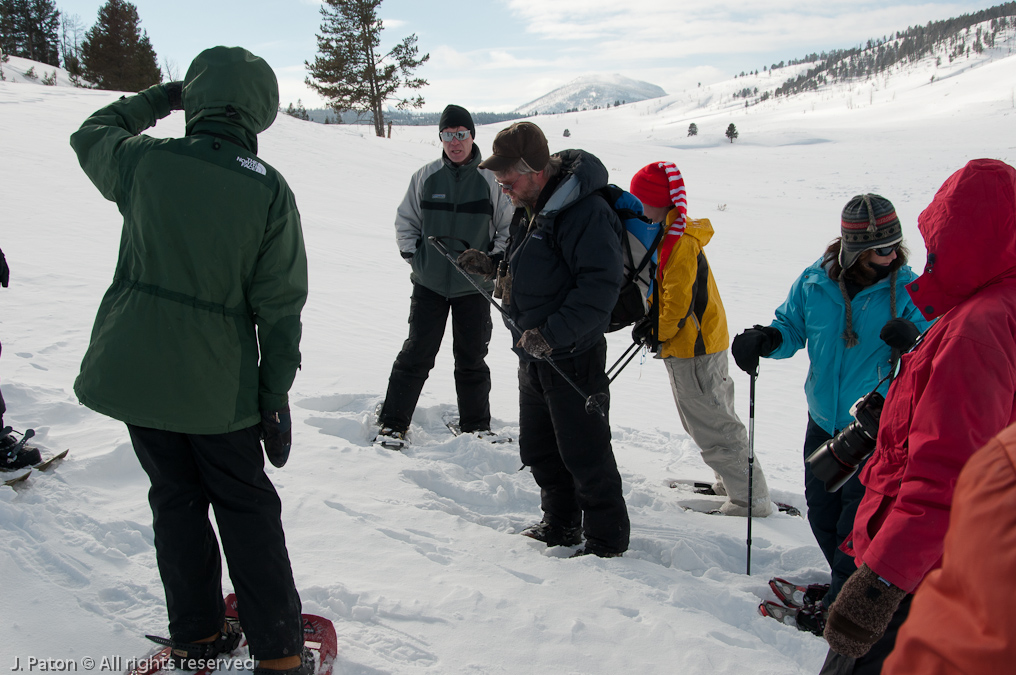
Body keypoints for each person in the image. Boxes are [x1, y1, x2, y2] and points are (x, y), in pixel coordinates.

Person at [70, 47, 310, 675]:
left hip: (136, 374)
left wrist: (159, 97)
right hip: (217, 390)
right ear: (262, 110)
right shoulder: (267, 190)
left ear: (195, 99)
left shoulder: (144, 161)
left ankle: (198, 637)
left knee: (174, 498)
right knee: (246, 509)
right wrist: (273, 395)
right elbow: (280, 308)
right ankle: (281, 656)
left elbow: (90, 133)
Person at [821, 159, 1016, 673]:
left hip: (924, 568)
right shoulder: (993, 306)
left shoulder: (977, 328)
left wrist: (880, 585)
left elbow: (951, 475)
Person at [730, 194, 929, 631]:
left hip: (877, 429)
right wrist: (766, 338)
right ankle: (847, 583)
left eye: (895, 245)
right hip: (822, 421)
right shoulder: (814, 282)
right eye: (881, 248)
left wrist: (913, 335)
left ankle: (844, 605)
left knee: (858, 525)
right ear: (854, 247)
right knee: (822, 513)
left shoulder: (910, 288)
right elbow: (792, 326)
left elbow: (937, 340)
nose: (892, 254)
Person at [459, 121, 629, 558]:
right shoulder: (533, 205)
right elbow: (531, 264)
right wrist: (492, 264)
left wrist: (550, 336)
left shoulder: (586, 213)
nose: (503, 189)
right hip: (532, 352)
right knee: (540, 448)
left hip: (572, 355)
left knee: (585, 453)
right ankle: (560, 524)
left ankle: (607, 542)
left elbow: (598, 291)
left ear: (534, 170)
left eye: (508, 180)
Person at [628, 161, 772, 517]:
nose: (634, 206)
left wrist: (656, 330)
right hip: (695, 344)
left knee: (713, 422)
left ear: (657, 203)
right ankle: (732, 480)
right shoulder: (670, 234)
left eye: (638, 199)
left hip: (694, 347)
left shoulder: (679, 243)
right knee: (707, 416)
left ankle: (749, 500)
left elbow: (677, 300)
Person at [375, 104, 513, 446]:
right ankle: (393, 423)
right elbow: (406, 221)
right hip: (429, 285)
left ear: (471, 136)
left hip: (473, 287)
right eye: (448, 135)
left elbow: (509, 228)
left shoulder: (489, 180)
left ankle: (476, 426)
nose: (455, 141)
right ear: (441, 138)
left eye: (461, 134)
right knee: (416, 354)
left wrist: (491, 261)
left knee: (471, 359)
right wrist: (415, 256)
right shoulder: (425, 176)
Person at [881, 420, 1016, 675]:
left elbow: (970, 642)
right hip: (893, 516)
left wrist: (880, 575)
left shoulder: (1005, 466)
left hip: (908, 557)